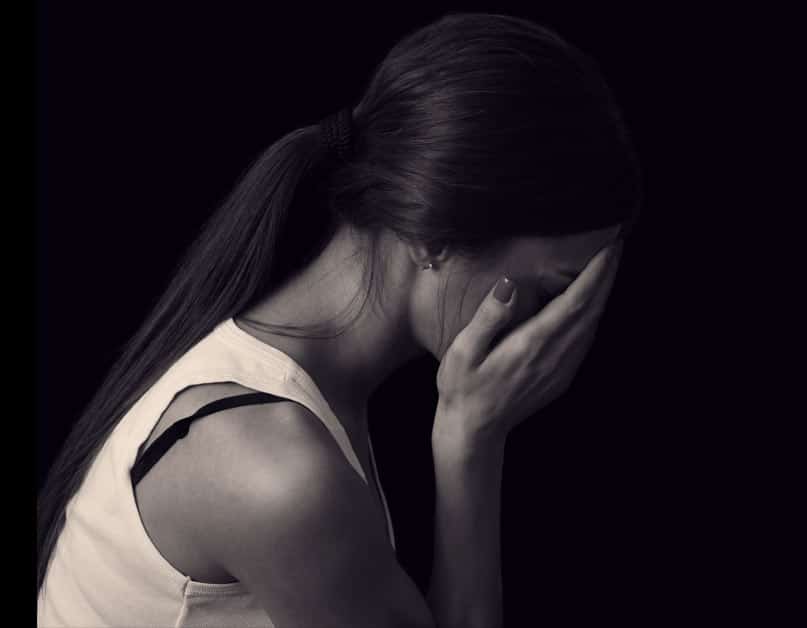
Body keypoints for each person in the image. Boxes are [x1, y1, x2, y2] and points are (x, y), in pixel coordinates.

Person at [36, 11, 641, 628]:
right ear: (434, 237)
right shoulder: (275, 468)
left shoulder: (288, 386)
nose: (564, 328)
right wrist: (471, 439)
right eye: (555, 289)